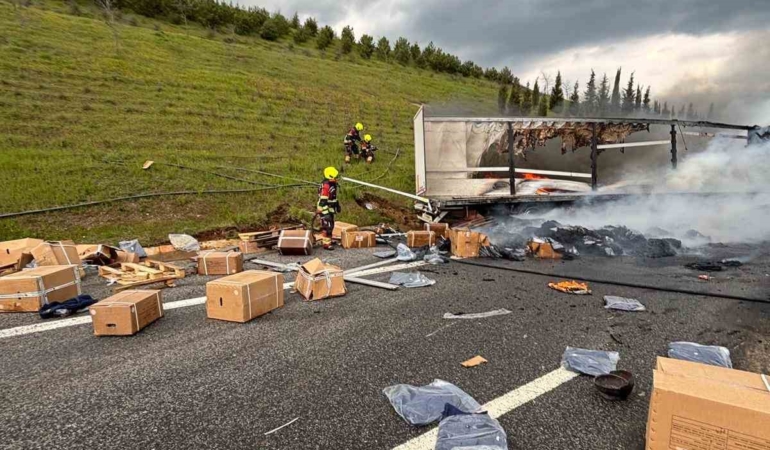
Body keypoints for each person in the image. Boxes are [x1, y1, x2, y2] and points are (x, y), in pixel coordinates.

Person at [317, 166, 341, 250]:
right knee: (327, 226)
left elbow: (333, 197)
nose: (337, 178)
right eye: (335, 176)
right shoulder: (326, 186)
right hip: (324, 209)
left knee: (331, 225)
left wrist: (337, 206)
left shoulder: (332, 184)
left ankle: (329, 240)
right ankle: (326, 244)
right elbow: (323, 198)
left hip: (330, 208)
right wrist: (320, 208)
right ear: (330, 177)